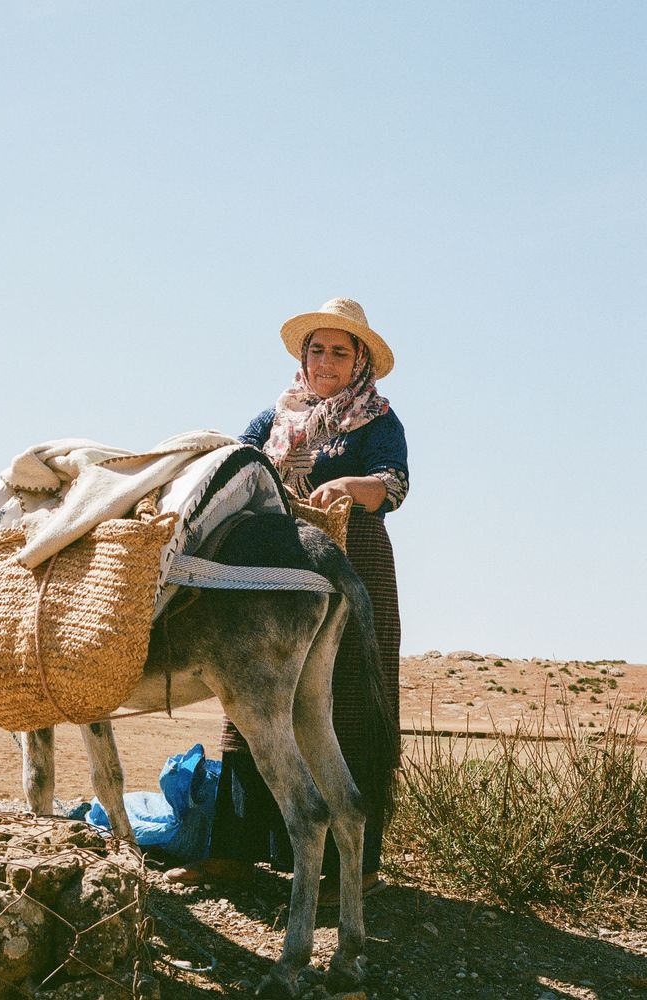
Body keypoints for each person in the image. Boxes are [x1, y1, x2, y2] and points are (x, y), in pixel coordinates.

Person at [166, 298, 408, 905]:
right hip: (272, 563)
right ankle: (235, 852)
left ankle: (352, 870)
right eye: (318, 348)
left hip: (353, 559)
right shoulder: (273, 416)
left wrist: (351, 485)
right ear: (305, 355)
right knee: (249, 692)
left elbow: (395, 484)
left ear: (359, 363)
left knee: (344, 701)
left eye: (340, 351)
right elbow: (233, 464)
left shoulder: (377, 419)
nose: (326, 360)